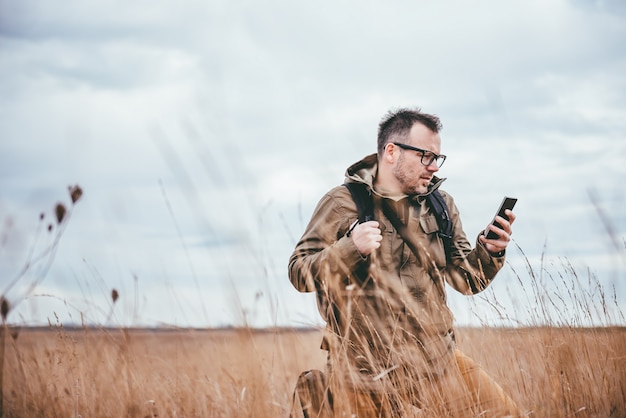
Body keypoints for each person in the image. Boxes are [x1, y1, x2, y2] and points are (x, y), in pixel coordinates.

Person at [288, 108, 522, 417]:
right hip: (364, 376)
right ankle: (322, 396)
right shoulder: (341, 203)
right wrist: (350, 247)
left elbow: (466, 280)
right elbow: (299, 272)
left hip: (437, 365)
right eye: (426, 156)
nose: (434, 167)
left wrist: (489, 253)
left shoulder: (441, 205)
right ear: (391, 152)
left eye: (438, 158)